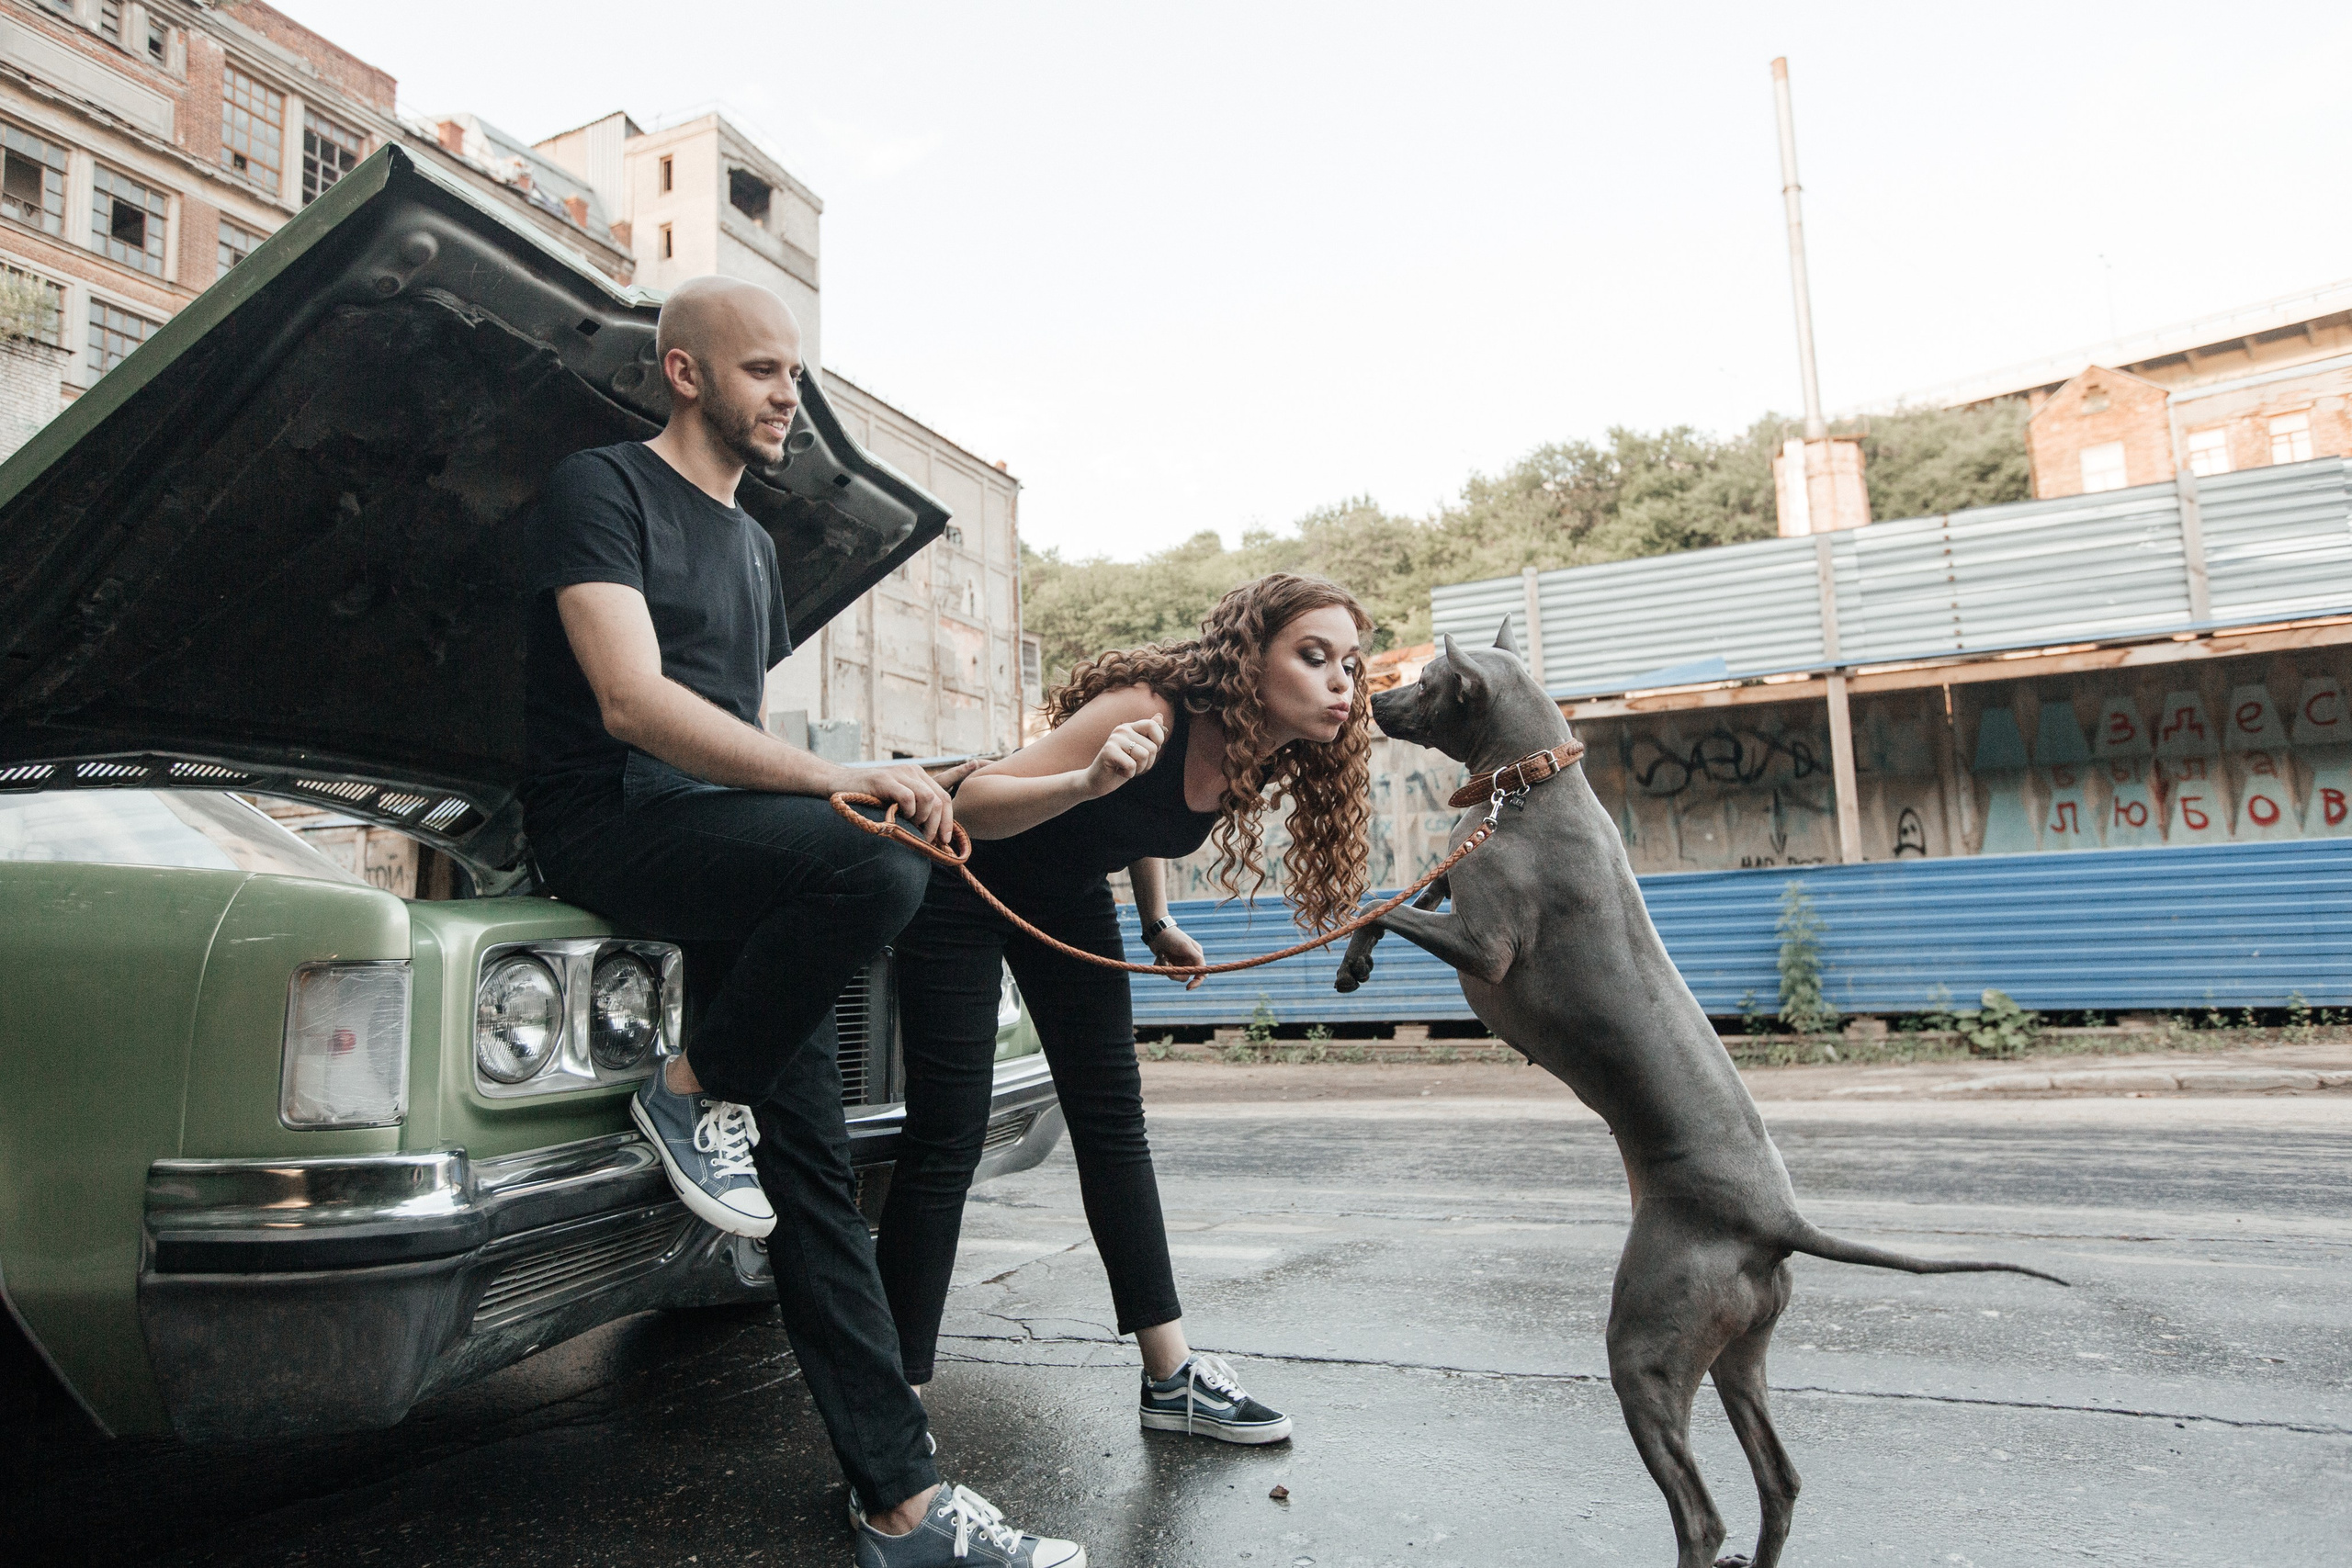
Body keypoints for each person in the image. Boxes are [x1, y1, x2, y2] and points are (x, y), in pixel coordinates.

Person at [519, 274, 1085, 1568]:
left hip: (718, 839)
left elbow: (742, 729)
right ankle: (688, 1084)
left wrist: (851, 779)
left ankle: (901, 1504)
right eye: (768, 372)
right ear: (688, 372)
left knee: (816, 1175)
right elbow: (631, 703)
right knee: (880, 866)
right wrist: (842, 785)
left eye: (795, 374)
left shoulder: (758, 547)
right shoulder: (600, 489)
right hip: (610, 818)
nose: (791, 398)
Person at [876, 574, 1374, 1445]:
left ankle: (1171, 1377)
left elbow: (1145, 820)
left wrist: (1157, 918)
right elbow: (974, 804)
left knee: (1113, 1120)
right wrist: (1086, 780)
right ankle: (889, 1396)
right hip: (960, 881)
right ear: (1249, 659)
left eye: (1352, 663)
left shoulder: (1258, 749)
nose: (1343, 680)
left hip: (1066, 892)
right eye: (1315, 655)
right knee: (949, 1131)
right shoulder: (1143, 706)